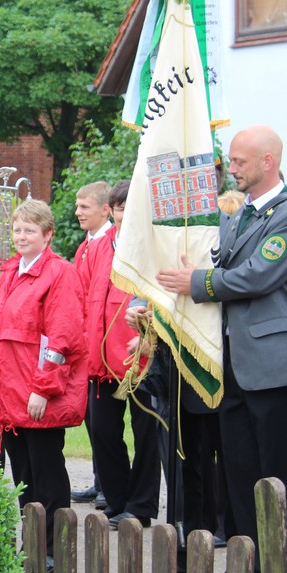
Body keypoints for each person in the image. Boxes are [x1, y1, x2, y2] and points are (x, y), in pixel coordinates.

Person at [156, 125, 287, 573]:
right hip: (234, 369)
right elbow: (220, 266)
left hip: (276, 369)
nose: (233, 168)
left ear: (268, 161)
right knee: (242, 478)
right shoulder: (237, 216)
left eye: (241, 161)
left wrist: (196, 281)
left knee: (284, 479)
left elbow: (255, 277)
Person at [0, 199, 87, 565]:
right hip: (8, 394)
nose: (21, 236)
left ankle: (55, 548)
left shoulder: (59, 274)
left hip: (37, 395)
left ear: (47, 234)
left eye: (29, 230)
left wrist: (43, 388)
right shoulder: (10, 272)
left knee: (47, 474)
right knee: (24, 476)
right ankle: (34, 546)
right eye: (17, 230)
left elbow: (63, 338)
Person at [84, 181, 159, 529]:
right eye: (120, 208)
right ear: (112, 211)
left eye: (132, 208)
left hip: (139, 357)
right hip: (101, 358)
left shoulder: (154, 246)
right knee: (102, 431)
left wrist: (149, 337)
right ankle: (116, 500)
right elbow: (84, 295)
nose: (125, 215)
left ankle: (140, 505)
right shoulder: (99, 247)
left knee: (146, 434)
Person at [69, 181, 113, 510]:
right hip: (84, 343)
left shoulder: (109, 244)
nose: (77, 212)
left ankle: (109, 486)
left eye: (84, 207)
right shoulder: (86, 245)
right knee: (92, 421)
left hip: (103, 346)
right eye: (77, 206)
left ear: (105, 209)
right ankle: (101, 481)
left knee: (105, 424)